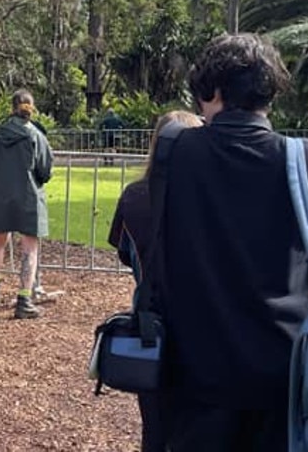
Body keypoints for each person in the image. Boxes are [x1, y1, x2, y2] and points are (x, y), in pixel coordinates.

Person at [141, 34, 308, 451]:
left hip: (195, 362)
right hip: (283, 363)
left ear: (212, 91)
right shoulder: (306, 159)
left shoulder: (176, 153)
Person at [107, 110, 202, 452]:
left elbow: (124, 250)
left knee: (155, 428)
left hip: (152, 323)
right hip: (206, 323)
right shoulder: (209, 199)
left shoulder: (134, 196)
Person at [0, 90, 53, 320]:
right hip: (28, 195)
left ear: (12, 107)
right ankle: (24, 299)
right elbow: (45, 169)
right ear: (31, 108)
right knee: (29, 247)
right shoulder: (36, 135)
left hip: (0, 194)